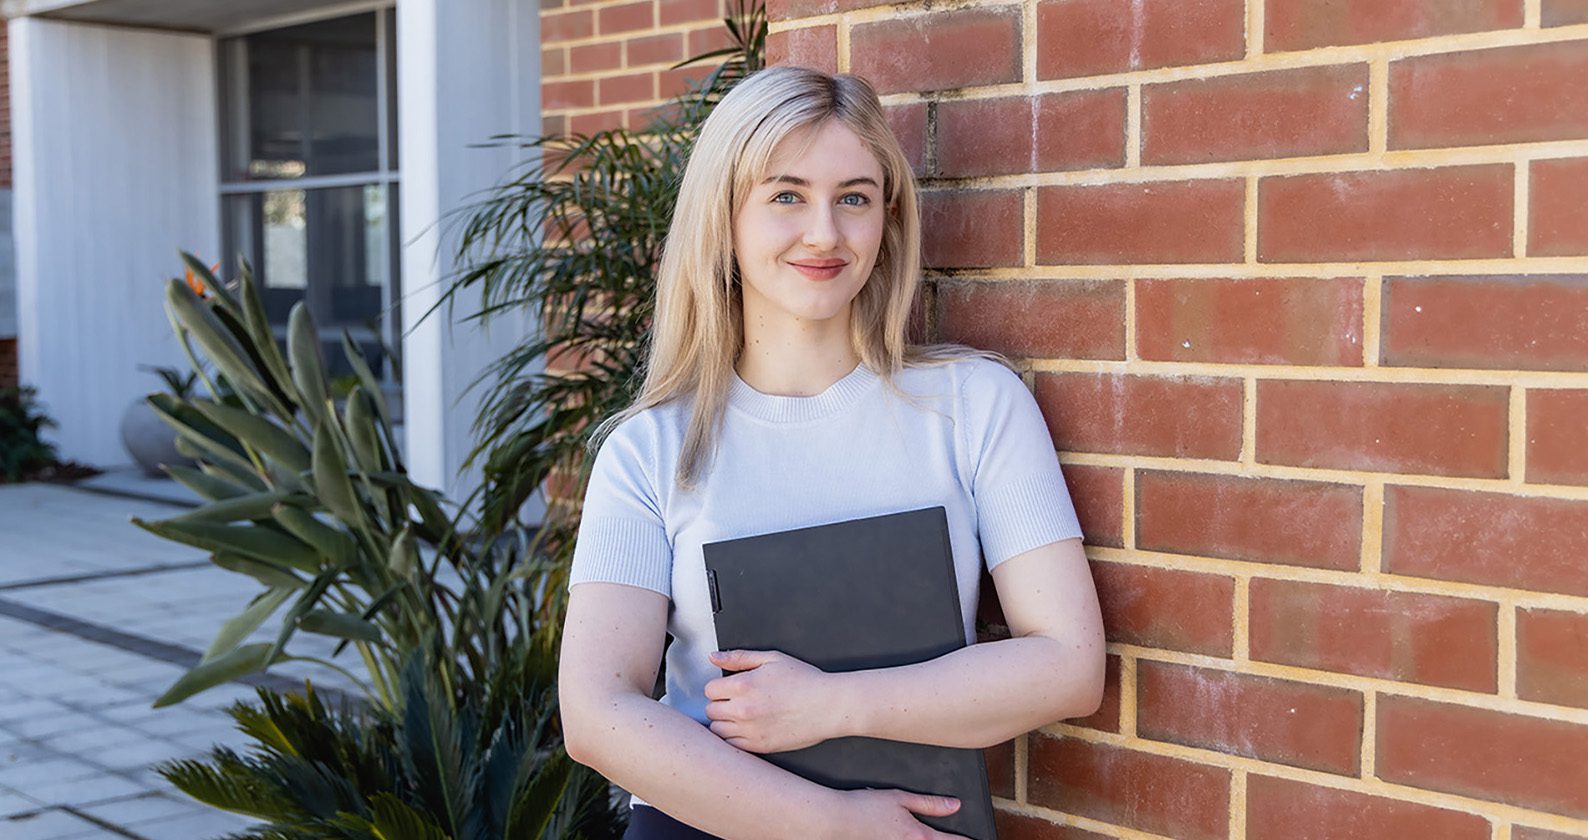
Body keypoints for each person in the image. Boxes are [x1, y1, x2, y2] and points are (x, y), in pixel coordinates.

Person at [558, 65, 1106, 840]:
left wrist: (829, 704)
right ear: (725, 217)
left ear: (887, 217)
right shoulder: (649, 451)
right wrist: (835, 824)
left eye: (853, 197)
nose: (825, 233)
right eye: (786, 195)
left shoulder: (975, 406)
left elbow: (1069, 665)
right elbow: (595, 714)